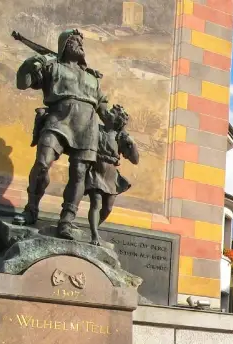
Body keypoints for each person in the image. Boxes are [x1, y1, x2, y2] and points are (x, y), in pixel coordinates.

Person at [14, 29, 109, 238]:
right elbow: (23, 83)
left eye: (81, 42)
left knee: (79, 174)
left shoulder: (92, 79)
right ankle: (31, 210)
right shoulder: (52, 67)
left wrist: (117, 123)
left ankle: (67, 220)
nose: (80, 44)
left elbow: (104, 110)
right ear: (64, 44)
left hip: (87, 126)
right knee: (42, 163)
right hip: (58, 119)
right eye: (74, 41)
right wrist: (31, 63)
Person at [85, 104, 139, 245]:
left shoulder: (119, 137)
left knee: (108, 208)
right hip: (96, 171)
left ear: (118, 120)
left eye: (113, 112)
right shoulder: (97, 129)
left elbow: (135, 160)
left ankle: (94, 228)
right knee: (95, 204)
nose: (108, 113)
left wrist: (132, 144)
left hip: (111, 175)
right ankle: (94, 235)